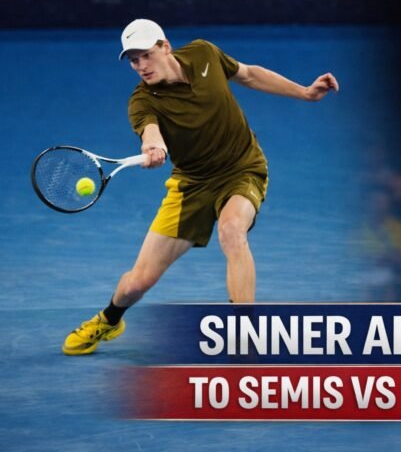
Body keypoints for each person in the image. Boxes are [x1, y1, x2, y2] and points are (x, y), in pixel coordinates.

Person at [62, 19, 339, 355]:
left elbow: (249, 74)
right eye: (133, 60)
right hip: (191, 185)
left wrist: (305, 92)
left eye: (146, 55)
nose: (141, 66)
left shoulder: (205, 53)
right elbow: (150, 132)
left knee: (232, 230)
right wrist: (153, 147)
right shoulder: (142, 102)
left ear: (165, 46)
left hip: (242, 168)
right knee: (138, 282)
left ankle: (245, 334)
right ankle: (109, 320)